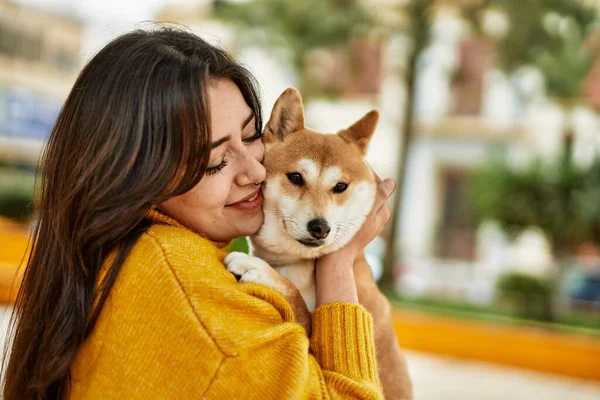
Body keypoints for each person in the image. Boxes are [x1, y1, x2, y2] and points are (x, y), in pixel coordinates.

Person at [3, 28, 403, 399]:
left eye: (251, 136)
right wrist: (338, 259)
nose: (257, 171)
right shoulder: (193, 299)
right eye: (215, 161)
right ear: (137, 174)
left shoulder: (132, 254)